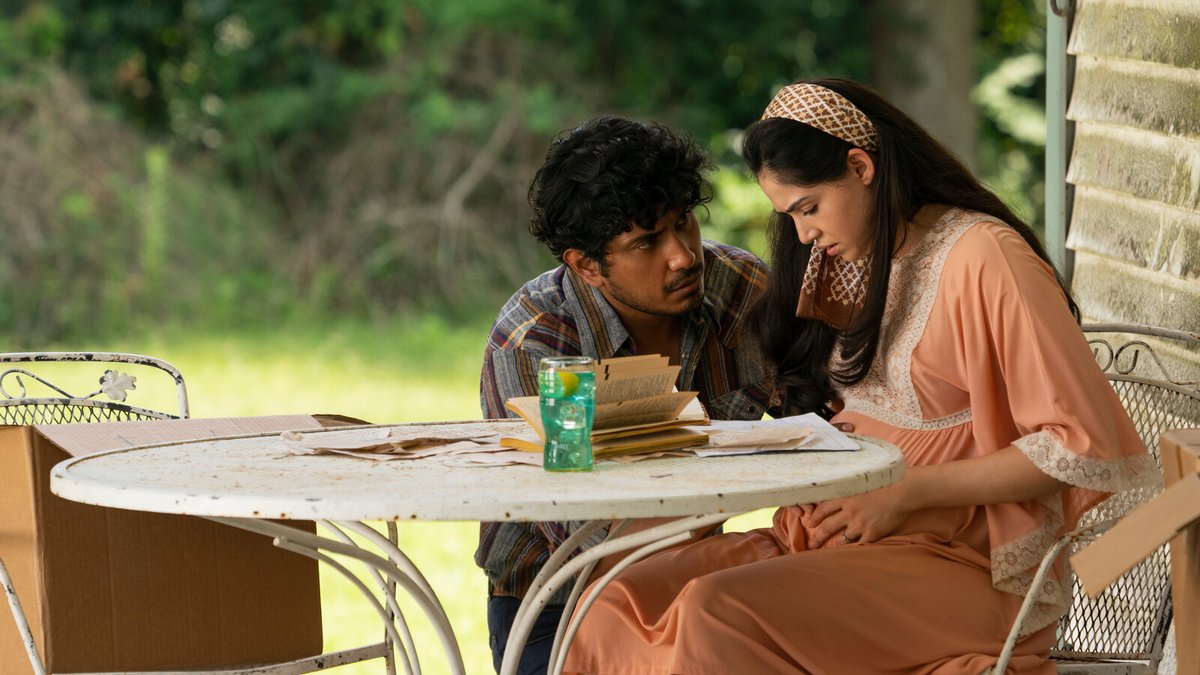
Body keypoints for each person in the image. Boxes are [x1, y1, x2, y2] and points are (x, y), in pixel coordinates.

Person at [562, 79, 1156, 674]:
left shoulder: (984, 256)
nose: (802, 236)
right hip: (831, 543)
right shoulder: (846, 263)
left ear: (860, 165)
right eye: (788, 217)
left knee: (715, 610)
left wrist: (906, 494)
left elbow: (1082, 445)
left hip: (962, 567)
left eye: (809, 209)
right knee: (614, 599)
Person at [477, 115, 779, 674]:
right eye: (647, 242)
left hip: (708, 577)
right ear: (586, 265)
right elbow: (578, 534)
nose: (685, 255)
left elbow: (832, 424)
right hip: (557, 596)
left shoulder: (745, 291)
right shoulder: (534, 342)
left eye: (684, 221)